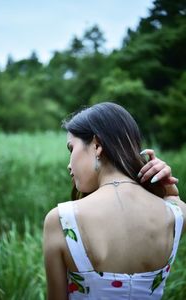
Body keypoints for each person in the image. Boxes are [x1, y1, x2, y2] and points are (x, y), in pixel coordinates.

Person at [43, 102, 186, 300]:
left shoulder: (61, 220)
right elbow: (176, 206)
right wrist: (171, 194)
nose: (69, 165)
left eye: (71, 148)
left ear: (97, 145)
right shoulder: (176, 214)